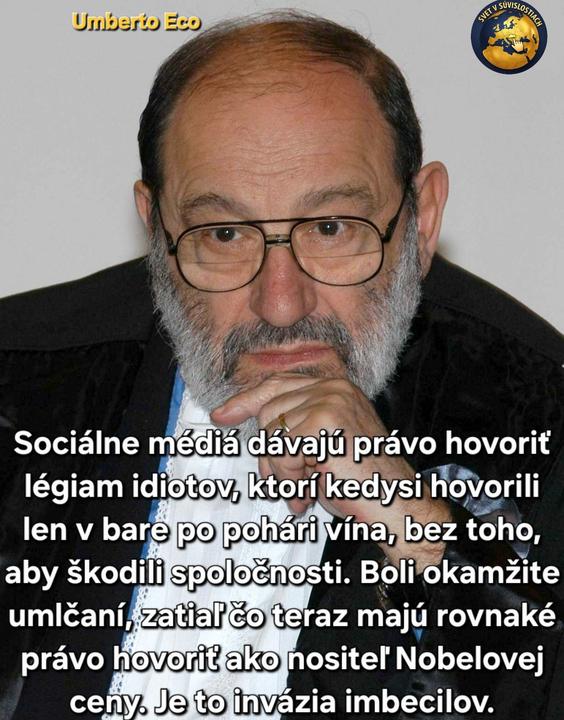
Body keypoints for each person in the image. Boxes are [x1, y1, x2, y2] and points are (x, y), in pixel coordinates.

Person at [1, 11, 563, 720]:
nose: (281, 303)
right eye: (223, 233)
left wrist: (415, 524)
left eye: (330, 228)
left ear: (421, 219)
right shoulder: (23, 374)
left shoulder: (532, 401)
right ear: (155, 225)